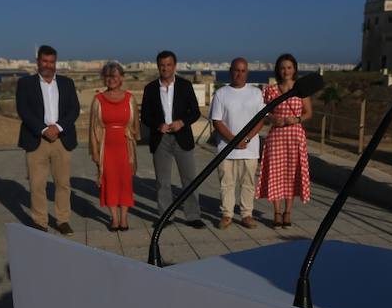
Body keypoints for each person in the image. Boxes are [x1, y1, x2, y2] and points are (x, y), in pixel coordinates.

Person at [16, 44, 80, 234]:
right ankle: (40, 221)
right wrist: (44, 129)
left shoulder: (67, 83)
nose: (48, 65)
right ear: (38, 62)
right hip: (36, 140)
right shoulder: (25, 84)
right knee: (37, 184)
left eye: (52, 62)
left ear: (55, 63)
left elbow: (73, 110)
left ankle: (62, 220)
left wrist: (58, 127)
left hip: (62, 139)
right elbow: (24, 111)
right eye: (45, 61)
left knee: (62, 183)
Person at [140, 50, 204, 228]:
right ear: (158, 66)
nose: (165, 68)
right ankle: (165, 216)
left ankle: (193, 216)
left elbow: (196, 112)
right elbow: (145, 115)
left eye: (168, 65)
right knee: (162, 181)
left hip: (182, 138)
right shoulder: (150, 88)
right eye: (162, 65)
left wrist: (182, 122)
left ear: (174, 66)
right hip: (161, 139)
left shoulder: (185, 86)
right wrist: (157, 125)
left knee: (189, 179)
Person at [257, 53, 312, 227]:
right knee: (275, 173)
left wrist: (296, 119)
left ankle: (288, 212)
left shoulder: (302, 89)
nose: (286, 71)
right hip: (277, 136)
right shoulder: (270, 90)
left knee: (292, 173)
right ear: (277, 70)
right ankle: (277, 212)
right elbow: (264, 112)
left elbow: (309, 113)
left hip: (295, 136)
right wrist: (273, 119)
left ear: (294, 69)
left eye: (289, 67)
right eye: (282, 67)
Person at [209, 57, 265, 228]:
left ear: (247, 72)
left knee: (248, 183)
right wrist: (233, 141)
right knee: (227, 183)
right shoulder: (221, 94)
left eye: (242, 71)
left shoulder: (256, 93)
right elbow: (217, 121)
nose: (239, 74)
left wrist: (246, 139)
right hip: (226, 149)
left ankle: (246, 214)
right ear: (230, 71)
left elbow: (261, 119)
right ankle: (227, 214)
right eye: (236, 70)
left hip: (250, 149)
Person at [88, 61, 139, 231]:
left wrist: (132, 137)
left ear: (122, 78)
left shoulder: (130, 98)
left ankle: (124, 218)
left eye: (114, 76)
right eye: (108, 77)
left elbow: (135, 126)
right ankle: (114, 219)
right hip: (106, 146)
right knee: (108, 181)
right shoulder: (98, 100)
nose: (111, 80)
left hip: (125, 147)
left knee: (125, 182)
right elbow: (93, 128)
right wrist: (94, 151)